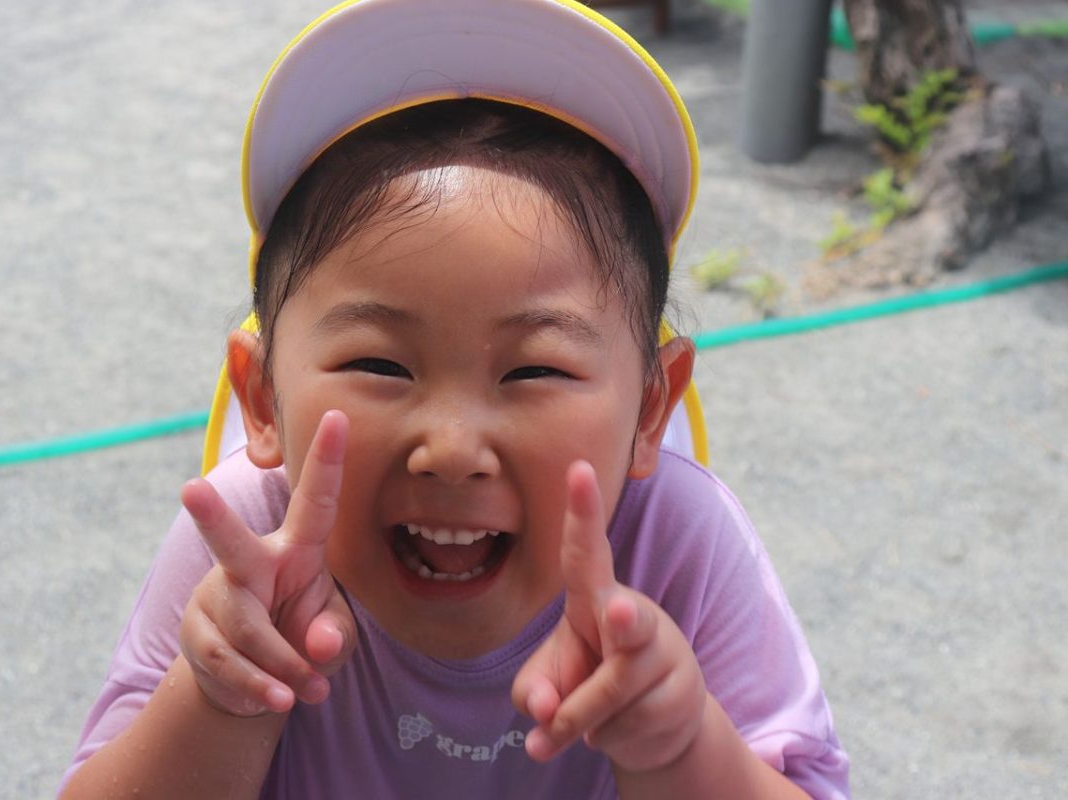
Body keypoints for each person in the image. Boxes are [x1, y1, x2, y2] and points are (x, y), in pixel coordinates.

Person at [60, 0, 850, 797]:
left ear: (651, 409)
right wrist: (220, 695)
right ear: (262, 398)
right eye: (379, 363)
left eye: (534, 371)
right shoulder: (247, 542)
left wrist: (679, 748)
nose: (451, 448)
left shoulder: (676, 545)